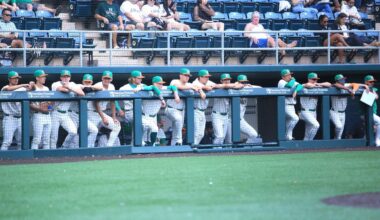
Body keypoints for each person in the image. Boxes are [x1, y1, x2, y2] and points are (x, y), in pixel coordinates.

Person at [192, 70, 242, 145]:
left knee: (201, 135)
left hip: (203, 112)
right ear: (200, 77)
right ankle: (192, 149)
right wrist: (202, 89)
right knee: (199, 134)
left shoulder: (209, 82)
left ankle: (217, 153)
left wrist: (224, 85)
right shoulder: (195, 82)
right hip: (194, 110)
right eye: (205, 77)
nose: (207, 78)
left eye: (208, 77)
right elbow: (195, 86)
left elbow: (217, 86)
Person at [134, 76, 180, 146]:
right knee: (142, 137)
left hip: (154, 117)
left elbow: (173, 87)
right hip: (144, 116)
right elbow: (152, 87)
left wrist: (176, 95)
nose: (161, 85)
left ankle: (151, 146)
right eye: (159, 83)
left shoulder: (162, 88)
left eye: (162, 83)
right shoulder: (149, 88)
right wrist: (140, 88)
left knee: (153, 134)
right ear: (154, 83)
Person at [166, 68, 204, 146]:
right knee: (179, 121)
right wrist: (191, 87)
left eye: (188, 76)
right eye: (185, 75)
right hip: (171, 108)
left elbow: (197, 86)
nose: (187, 77)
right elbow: (177, 86)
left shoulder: (189, 84)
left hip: (181, 110)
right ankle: (179, 141)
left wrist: (201, 91)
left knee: (177, 129)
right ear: (180, 75)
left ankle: (173, 149)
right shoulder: (175, 81)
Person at [63, 74, 103, 148]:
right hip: (72, 114)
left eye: (89, 82)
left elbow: (101, 87)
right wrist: (86, 87)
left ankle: (89, 148)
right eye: (86, 82)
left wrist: (91, 87)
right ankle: (65, 147)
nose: (87, 83)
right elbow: (80, 88)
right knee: (73, 133)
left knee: (94, 130)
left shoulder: (92, 87)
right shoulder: (78, 85)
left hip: (81, 115)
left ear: (91, 82)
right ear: (82, 81)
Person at [50, 70, 85, 149]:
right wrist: (74, 88)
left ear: (70, 78)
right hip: (55, 112)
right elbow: (64, 90)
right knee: (54, 136)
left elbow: (82, 93)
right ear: (61, 77)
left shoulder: (72, 84)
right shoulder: (55, 84)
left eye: (67, 76)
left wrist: (70, 86)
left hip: (65, 114)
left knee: (73, 131)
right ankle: (52, 153)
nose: (65, 78)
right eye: (64, 76)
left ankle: (63, 147)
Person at [0, 71, 33, 151]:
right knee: (7, 142)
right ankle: (2, 158)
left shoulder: (22, 89)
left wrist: (32, 85)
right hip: (9, 118)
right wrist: (23, 84)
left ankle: (20, 161)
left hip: (21, 118)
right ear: (9, 79)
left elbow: (31, 90)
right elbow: (8, 89)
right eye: (14, 78)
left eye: (17, 78)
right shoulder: (5, 88)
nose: (16, 80)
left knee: (21, 142)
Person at [89, 71, 121, 147]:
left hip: (101, 113)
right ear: (102, 78)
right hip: (91, 112)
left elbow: (112, 102)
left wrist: (114, 117)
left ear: (111, 79)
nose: (106, 80)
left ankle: (109, 146)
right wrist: (103, 118)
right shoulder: (98, 86)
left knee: (117, 127)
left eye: (108, 78)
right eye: (105, 78)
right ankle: (89, 150)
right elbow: (95, 104)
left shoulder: (112, 86)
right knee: (93, 132)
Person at [330, 74, 368, 139]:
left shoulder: (346, 85)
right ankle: (335, 139)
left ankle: (336, 143)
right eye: (342, 79)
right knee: (339, 126)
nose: (344, 80)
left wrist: (355, 90)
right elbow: (337, 85)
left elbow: (355, 84)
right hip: (334, 112)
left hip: (343, 113)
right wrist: (348, 89)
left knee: (340, 132)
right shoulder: (335, 86)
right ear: (337, 80)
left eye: (344, 79)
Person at [301, 72, 331, 140]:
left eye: (316, 79)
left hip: (314, 112)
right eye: (313, 79)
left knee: (309, 130)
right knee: (316, 125)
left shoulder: (317, 84)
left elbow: (329, 84)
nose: (315, 80)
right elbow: (308, 85)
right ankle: (310, 142)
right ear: (309, 79)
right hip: (305, 111)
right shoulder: (304, 85)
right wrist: (316, 85)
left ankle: (305, 145)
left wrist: (318, 84)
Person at [119, 70, 146, 145]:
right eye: (139, 78)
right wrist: (119, 110)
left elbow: (151, 87)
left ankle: (135, 145)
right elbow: (114, 100)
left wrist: (142, 88)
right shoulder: (124, 88)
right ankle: (139, 143)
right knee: (141, 124)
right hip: (129, 112)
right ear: (133, 79)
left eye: (141, 78)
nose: (141, 79)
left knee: (140, 127)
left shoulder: (142, 86)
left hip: (140, 111)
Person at [277, 69, 303, 140]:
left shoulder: (292, 81)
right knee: (295, 118)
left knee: (289, 122)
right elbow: (289, 86)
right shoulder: (281, 82)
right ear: (283, 77)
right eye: (287, 75)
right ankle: (287, 135)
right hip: (285, 105)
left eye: (290, 75)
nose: (290, 76)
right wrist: (293, 80)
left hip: (292, 105)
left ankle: (289, 138)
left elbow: (300, 86)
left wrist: (296, 90)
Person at [234, 74, 261, 143]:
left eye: (245, 82)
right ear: (238, 82)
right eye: (242, 82)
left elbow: (260, 88)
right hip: (230, 119)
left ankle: (245, 149)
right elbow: (233, 86)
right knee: (228, 140)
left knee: (254, 134)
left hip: (240, 120)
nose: (244, 83)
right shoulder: (234, 87)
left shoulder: (247, 88)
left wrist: (251, 86)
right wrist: (238, 85)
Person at [30, 70, 52, 150]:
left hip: (47, 115)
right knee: (37, 139)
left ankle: (46, 158)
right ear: (37, 78)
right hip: (38, 115)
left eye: (44, 76)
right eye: (42, 77)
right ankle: (32, 158)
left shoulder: (46, 88)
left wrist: (49, 109)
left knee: (46, 140)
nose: (44, 78)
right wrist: (40, 109)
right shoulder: (34, 87)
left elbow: (50, 102)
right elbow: (29, 104)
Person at [364, 75, 380, 146]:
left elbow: (376, 97)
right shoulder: (363, 89)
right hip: (366, 113)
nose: (372, 83)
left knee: (373, 128)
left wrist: (371, 90)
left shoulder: (372, 89)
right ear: (366, 82)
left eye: (373, 82)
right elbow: (367, 100)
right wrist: (366, 88)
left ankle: (373, 141)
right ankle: (377, 140)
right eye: (370, 82)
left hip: (373, 112)